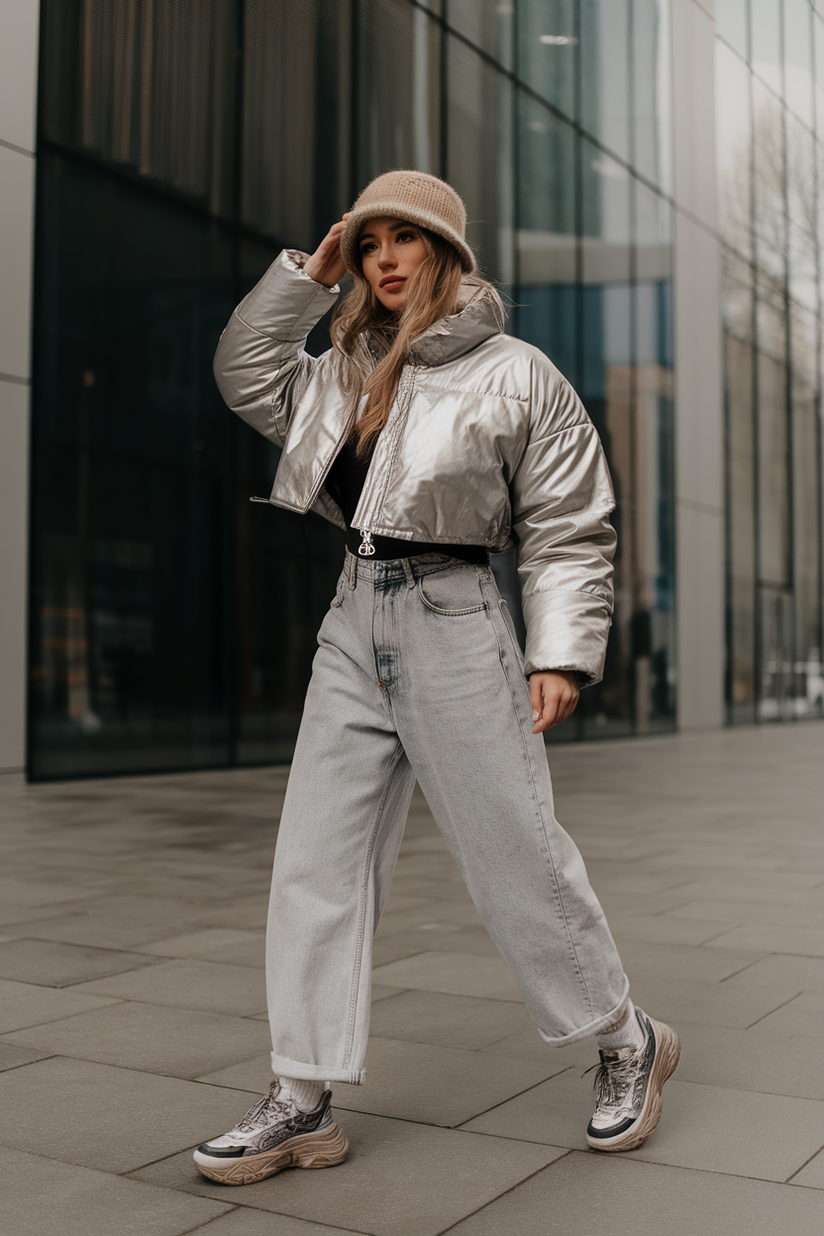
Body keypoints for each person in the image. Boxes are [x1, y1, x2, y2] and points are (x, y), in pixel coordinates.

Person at [194, 171, 679, 1186]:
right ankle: (302, 1097)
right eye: (368, 239)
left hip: (456, 619)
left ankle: (624, 1036)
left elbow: (568, 522)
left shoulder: (518, 374)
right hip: (351, 615)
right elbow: (242, 372)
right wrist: (299, 277)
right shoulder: (336, 369)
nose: (383, 255)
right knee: (313, 861)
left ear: (446, 253)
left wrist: (559, 654)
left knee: (513, 853)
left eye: (404, 237)